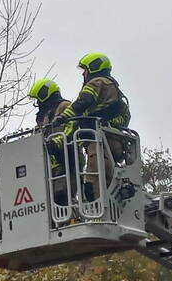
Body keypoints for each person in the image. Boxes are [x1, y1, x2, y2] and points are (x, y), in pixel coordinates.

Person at [51, 52, 131, 201]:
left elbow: (81, 103)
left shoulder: (96, 83)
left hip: (99, 143)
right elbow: (80, 119)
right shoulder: (113, 89)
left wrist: (63, 116)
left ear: (93, 68)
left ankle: (97, 209)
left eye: (85, 70)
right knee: (107, 178)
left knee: (93, 183)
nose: (83, 75)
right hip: (114, 143)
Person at [28, 78, 71, 205]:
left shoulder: (65, 107)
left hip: (66, 160)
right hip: (48, 165)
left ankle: (72, 219)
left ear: (44, 95)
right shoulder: (43, 116)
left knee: (62, 195)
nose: (37, 103)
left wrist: (56, 143)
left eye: (38, 99)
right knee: (47, 202)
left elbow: (71, 130)